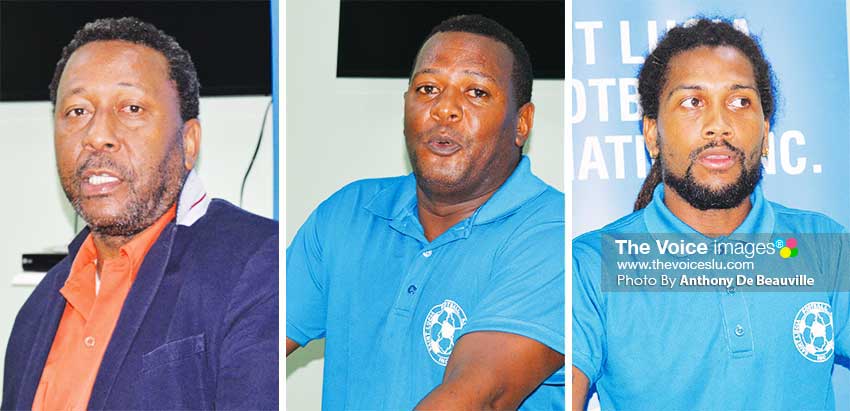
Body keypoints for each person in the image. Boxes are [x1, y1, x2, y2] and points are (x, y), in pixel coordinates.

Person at [286, 14, 565, 410]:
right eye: (428, 88)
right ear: (406, 107)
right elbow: (247, 342)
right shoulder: (347, 214)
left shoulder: (556, 233)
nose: (444, 109)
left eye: (476, 93)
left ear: (522, 123)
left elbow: (477, 397)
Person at [572, 18, 850, 410]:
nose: (719, 125)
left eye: (740, 102)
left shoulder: (823, 246)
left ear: (766, 131)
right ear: (652, 133)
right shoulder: (591, 265)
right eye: (692, 102)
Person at [1, 17, 278, 410]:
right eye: (77, 111)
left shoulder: (259, 263)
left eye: (131, 107)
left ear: (189, 141)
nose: (97, 135)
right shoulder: (35, 313)